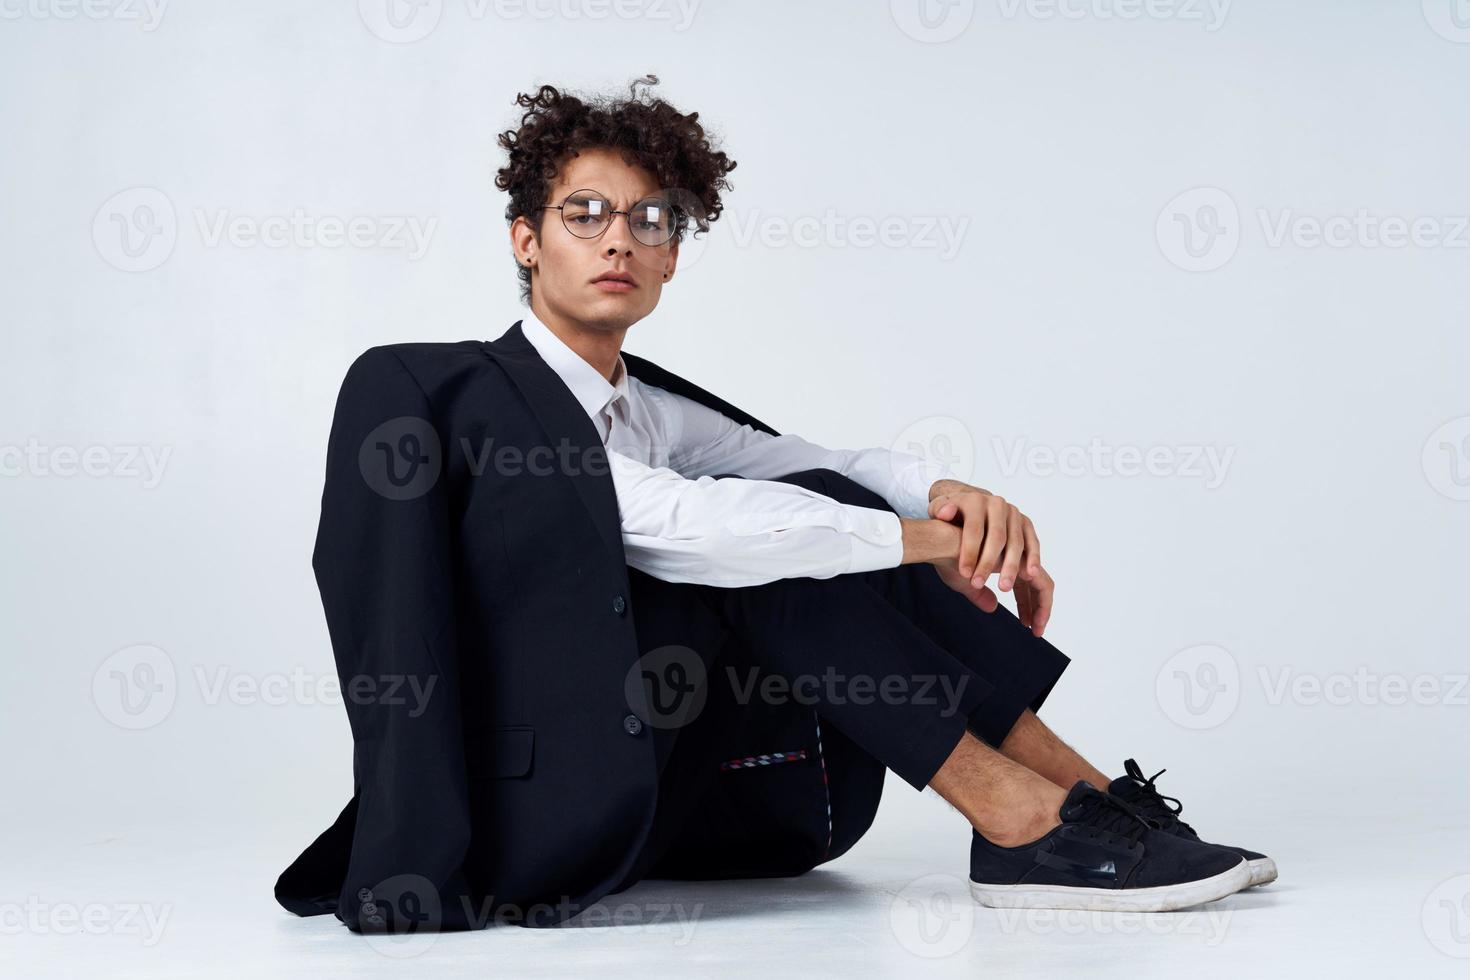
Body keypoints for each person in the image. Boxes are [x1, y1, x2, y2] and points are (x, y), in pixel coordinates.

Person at [275, 79, 1274, 934]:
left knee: (821, 500)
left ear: (672, 257)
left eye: (650, 219)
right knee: (765, 542)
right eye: (585, 214)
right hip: (528, 807)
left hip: (680, 785)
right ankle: (1014, 822)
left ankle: (1087, 800)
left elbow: (802, 459)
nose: (618, 238)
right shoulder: (454, 393)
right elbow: (677, 524)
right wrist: (916, 543)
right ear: (527, 240)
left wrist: (944, 497)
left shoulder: (649, 403)